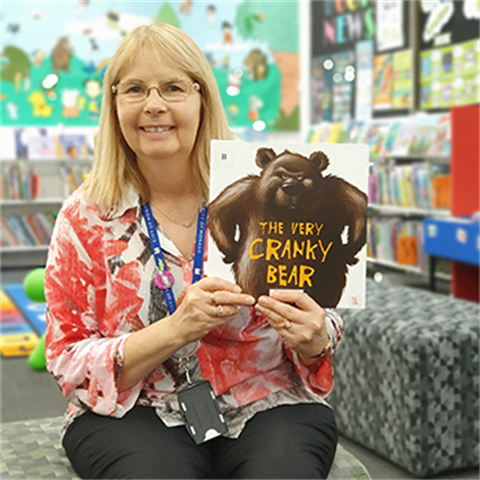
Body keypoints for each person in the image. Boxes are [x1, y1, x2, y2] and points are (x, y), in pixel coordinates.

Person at [44, 23, 343, 479]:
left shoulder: (265, 194)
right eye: (135, 89)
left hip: (267, 398)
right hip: (136, 409)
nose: (154, 105)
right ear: (114, 104)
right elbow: (66, 358)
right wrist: (176, 329)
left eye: (173, 87)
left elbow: (325, 311)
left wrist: (316, 337)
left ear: (203, 98)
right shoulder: (86, 218)